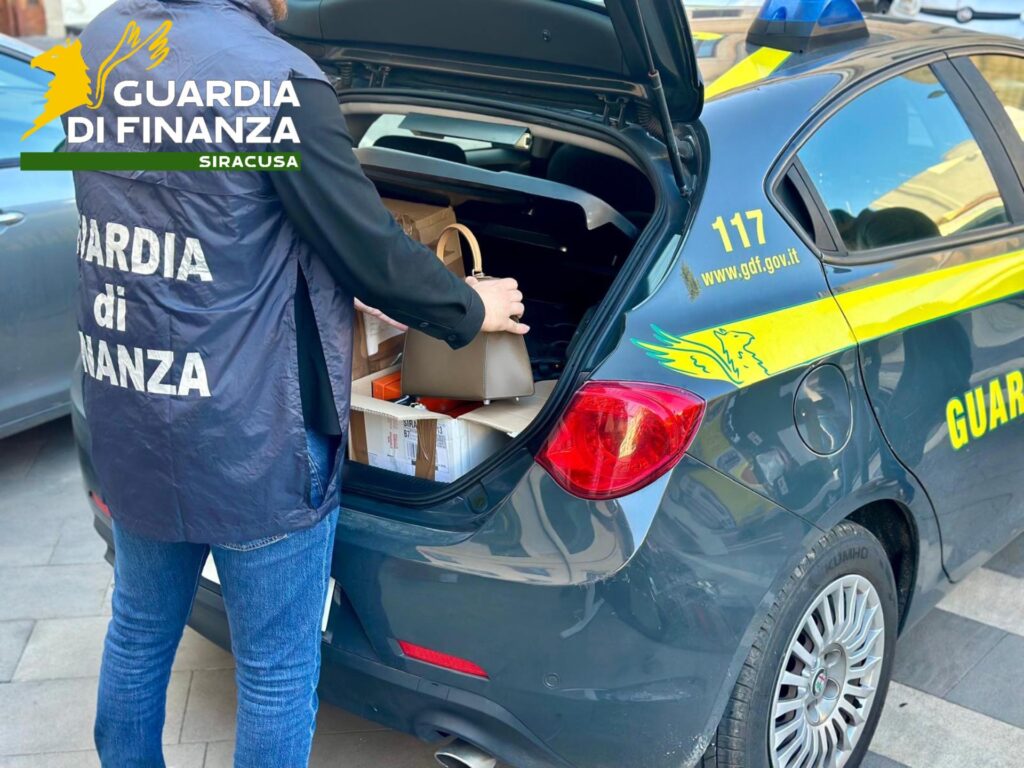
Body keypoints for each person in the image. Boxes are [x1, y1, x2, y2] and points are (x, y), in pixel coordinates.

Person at [67, 0, 528, 765]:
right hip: (253, 438)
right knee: (275, 671)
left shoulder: (103, 41)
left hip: (136, 407)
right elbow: (369, 246)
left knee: (139, 632)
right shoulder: (281, 83)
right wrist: (470, 308)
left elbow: (191, 215)